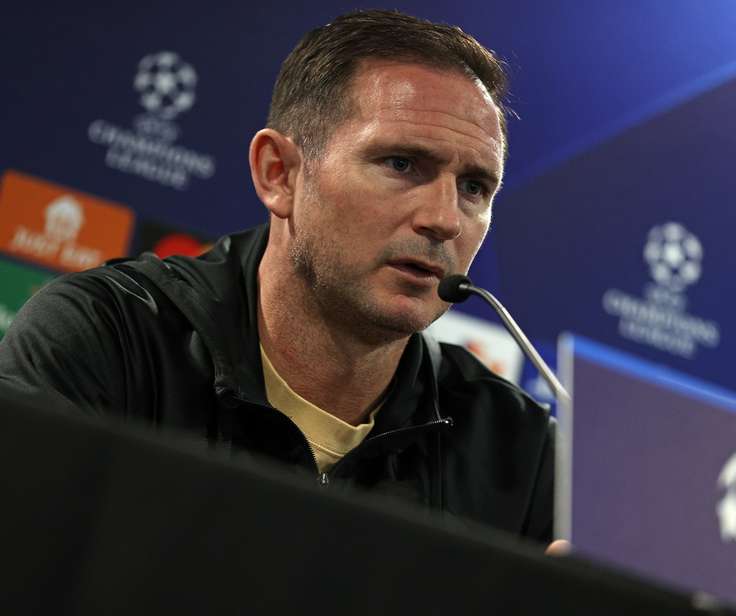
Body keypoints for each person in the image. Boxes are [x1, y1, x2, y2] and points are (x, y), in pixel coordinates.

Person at [0, 10, 554, 543]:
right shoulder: (109, 340)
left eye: (475, 187)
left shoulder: (521, 454)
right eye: (401, 164)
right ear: (279, 174)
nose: (444, 218)